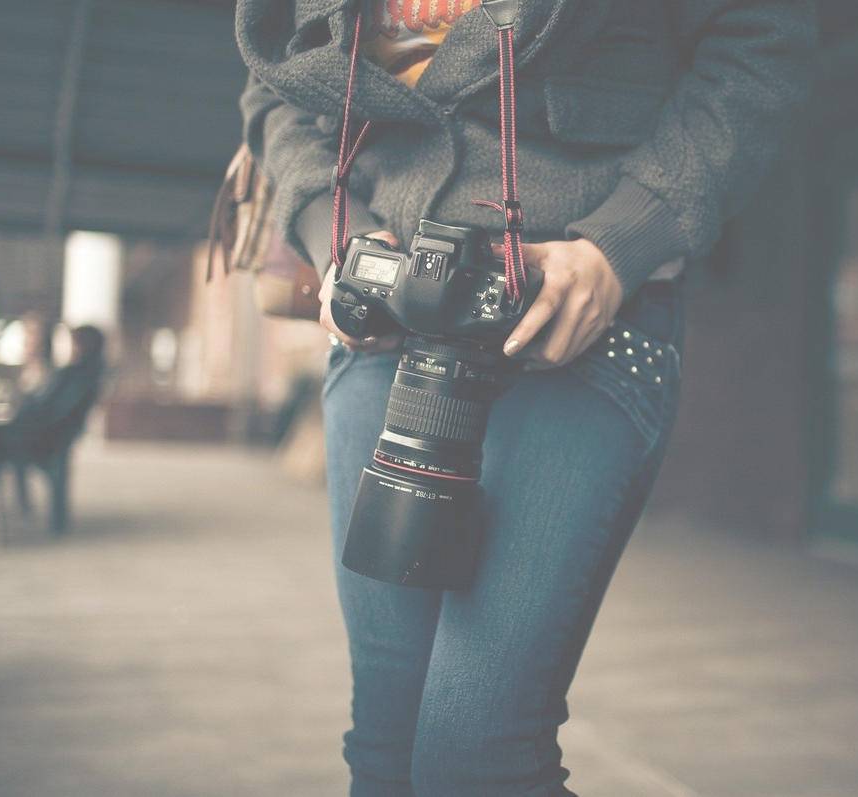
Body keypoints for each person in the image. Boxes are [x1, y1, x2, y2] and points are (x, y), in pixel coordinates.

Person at [235, 1, 815, 793]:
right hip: (388, 325)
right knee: (385, 741)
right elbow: (272, 77)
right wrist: (332, 235)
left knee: (476, 755)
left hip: (580, 319)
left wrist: (623, 241)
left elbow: (760, 43)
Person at [0, 324, 105, 534]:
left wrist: (26, 409)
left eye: (75, 341)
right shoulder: (87, 372)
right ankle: (17, 505)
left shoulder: (77, 374)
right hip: (50, 432)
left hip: (46, 436)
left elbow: (52, 409)